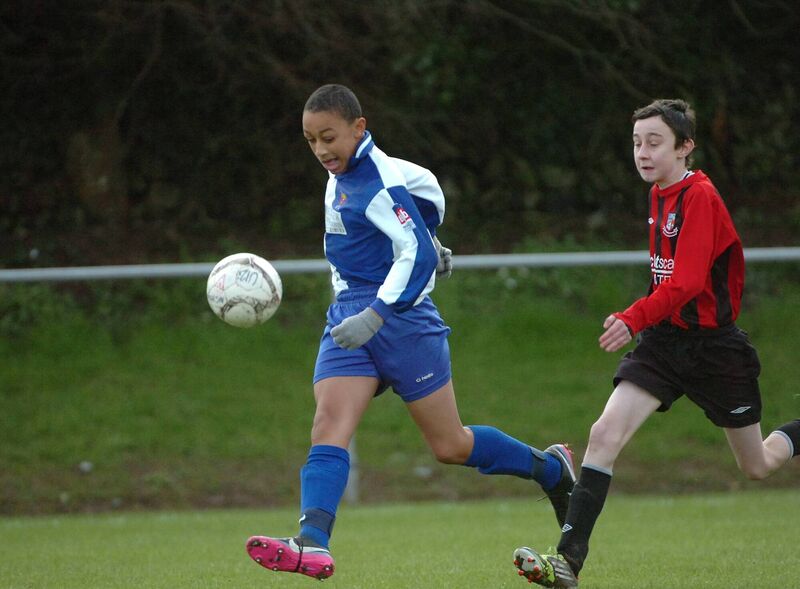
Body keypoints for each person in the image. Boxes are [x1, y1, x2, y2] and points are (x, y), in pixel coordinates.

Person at [245, 83, 576, 580]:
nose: (320, 150)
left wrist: (383, 304)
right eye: (311, 140)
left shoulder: (376, 179)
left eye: (329, 137)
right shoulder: (345, 173)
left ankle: (552, 470)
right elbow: (421, 199)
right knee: (328, 423)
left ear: (359, 128)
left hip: (401, 320)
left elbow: (414, 250)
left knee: (451, 446)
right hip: (348, 314)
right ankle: (312, 541)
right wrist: (426, 238)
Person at [512, 98, 800, 588]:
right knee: (604, 435)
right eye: (636, 142)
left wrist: (631, 316)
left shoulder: (700, 197)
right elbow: (663, 280)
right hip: (666, 344)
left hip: (716, 350)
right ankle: (567, 563)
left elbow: (687, 282)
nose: (642, 152)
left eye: (654, 142)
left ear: (684, 147)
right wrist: (643, 320)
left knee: (757, 465)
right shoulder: (659, 195)